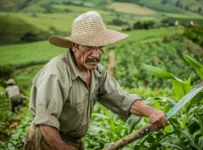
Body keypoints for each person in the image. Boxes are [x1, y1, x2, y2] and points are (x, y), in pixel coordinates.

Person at [24, 11, 170, 150]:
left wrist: (151, 112)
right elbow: (46, 124)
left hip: (75, 141)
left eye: (100, 48)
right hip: (48, 141)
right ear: (74, 46)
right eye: (89, 47)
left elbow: (121, 99)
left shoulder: (97, 72)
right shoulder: (56, 74)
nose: (96, 55)